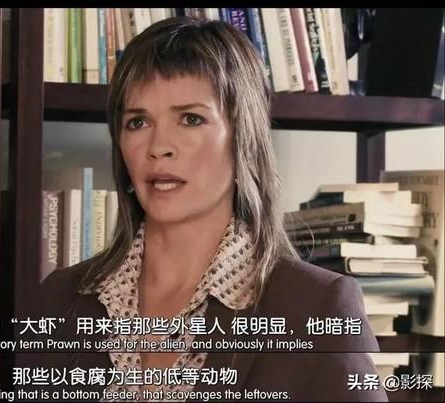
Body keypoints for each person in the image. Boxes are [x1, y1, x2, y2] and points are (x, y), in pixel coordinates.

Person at [20, 16, 387, 402]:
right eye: (138, 122)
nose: (159, 147)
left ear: (242, 137)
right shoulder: (60, 299)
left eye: (190, 119)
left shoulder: (316, 306)